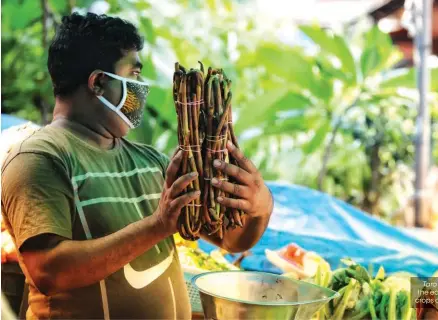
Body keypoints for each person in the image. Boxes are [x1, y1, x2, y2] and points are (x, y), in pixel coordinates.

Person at [1, 12, 273, 320]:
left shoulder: (151, 161)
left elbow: (229, 240)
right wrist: (156, 226)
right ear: (99, 83)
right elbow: (50, 271)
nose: (141, 88)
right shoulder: (38, 159)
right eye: (134, 75)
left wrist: (259, 206)